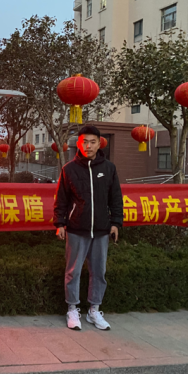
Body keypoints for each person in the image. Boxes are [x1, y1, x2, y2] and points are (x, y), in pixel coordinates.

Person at [53, 125, 123, 331]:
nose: (88, 146)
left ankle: (94, 310)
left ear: (99, 144)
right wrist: (60, 223)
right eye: (85, 142)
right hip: (76, 229)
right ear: (79, 144)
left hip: (101, 230)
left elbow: (116, 198)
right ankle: (72, 309)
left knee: (99, 272)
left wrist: (116, 223)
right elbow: (61, 200)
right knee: (72, 272)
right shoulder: (69, 169)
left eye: (93, 142)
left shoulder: (109, 168)